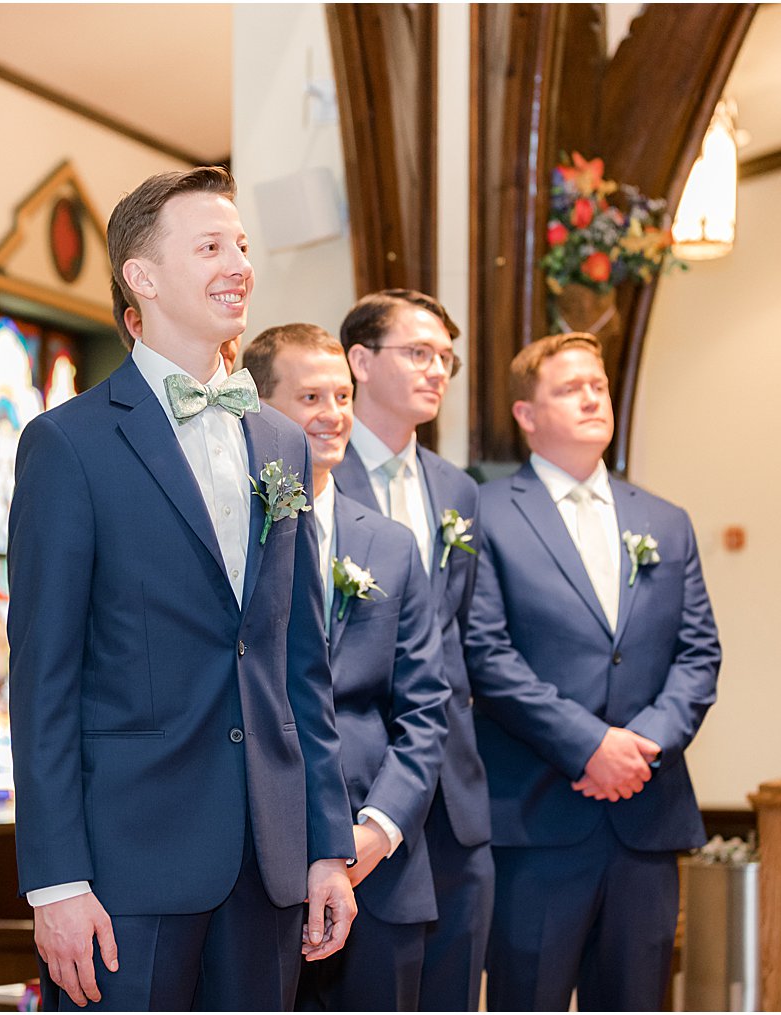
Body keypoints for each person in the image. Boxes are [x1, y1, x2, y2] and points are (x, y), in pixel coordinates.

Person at [8, 167, 357, 1011]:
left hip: (266, 856)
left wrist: (325, 845)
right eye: (211, 246)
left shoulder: (278, 441)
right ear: (143, 276)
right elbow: (43, 680)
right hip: (127, 864)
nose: (239, 262)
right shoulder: (70, 444)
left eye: (241, 245)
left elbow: (297, 664)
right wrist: (55, 879)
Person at [464, 332, 721, 1011]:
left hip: (646, 815)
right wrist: (589, 745)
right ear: (526, 414)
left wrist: (641, 747)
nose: (591, 397)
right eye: (569, 387)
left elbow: (699, 654)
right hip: (537, 817)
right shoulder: (483, 514)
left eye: (598, 385)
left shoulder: (665, 521)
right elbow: (485, 654)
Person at [245, 323, 450, 1011]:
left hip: (381, 864)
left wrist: (378, 829)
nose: (333, 414)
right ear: (259, 405)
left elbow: (426, 707)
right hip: (258, 858)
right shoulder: (236, 533)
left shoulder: (390, 544)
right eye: (310, 395)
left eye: (342, 394)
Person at [330, 289, 494, 1008]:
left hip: (452, 790)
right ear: (360, 360)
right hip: (358, 788)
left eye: (447, 359)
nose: (437, 370)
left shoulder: (456, 488)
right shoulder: (316, 473)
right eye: (419, 352)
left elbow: (460, 634)